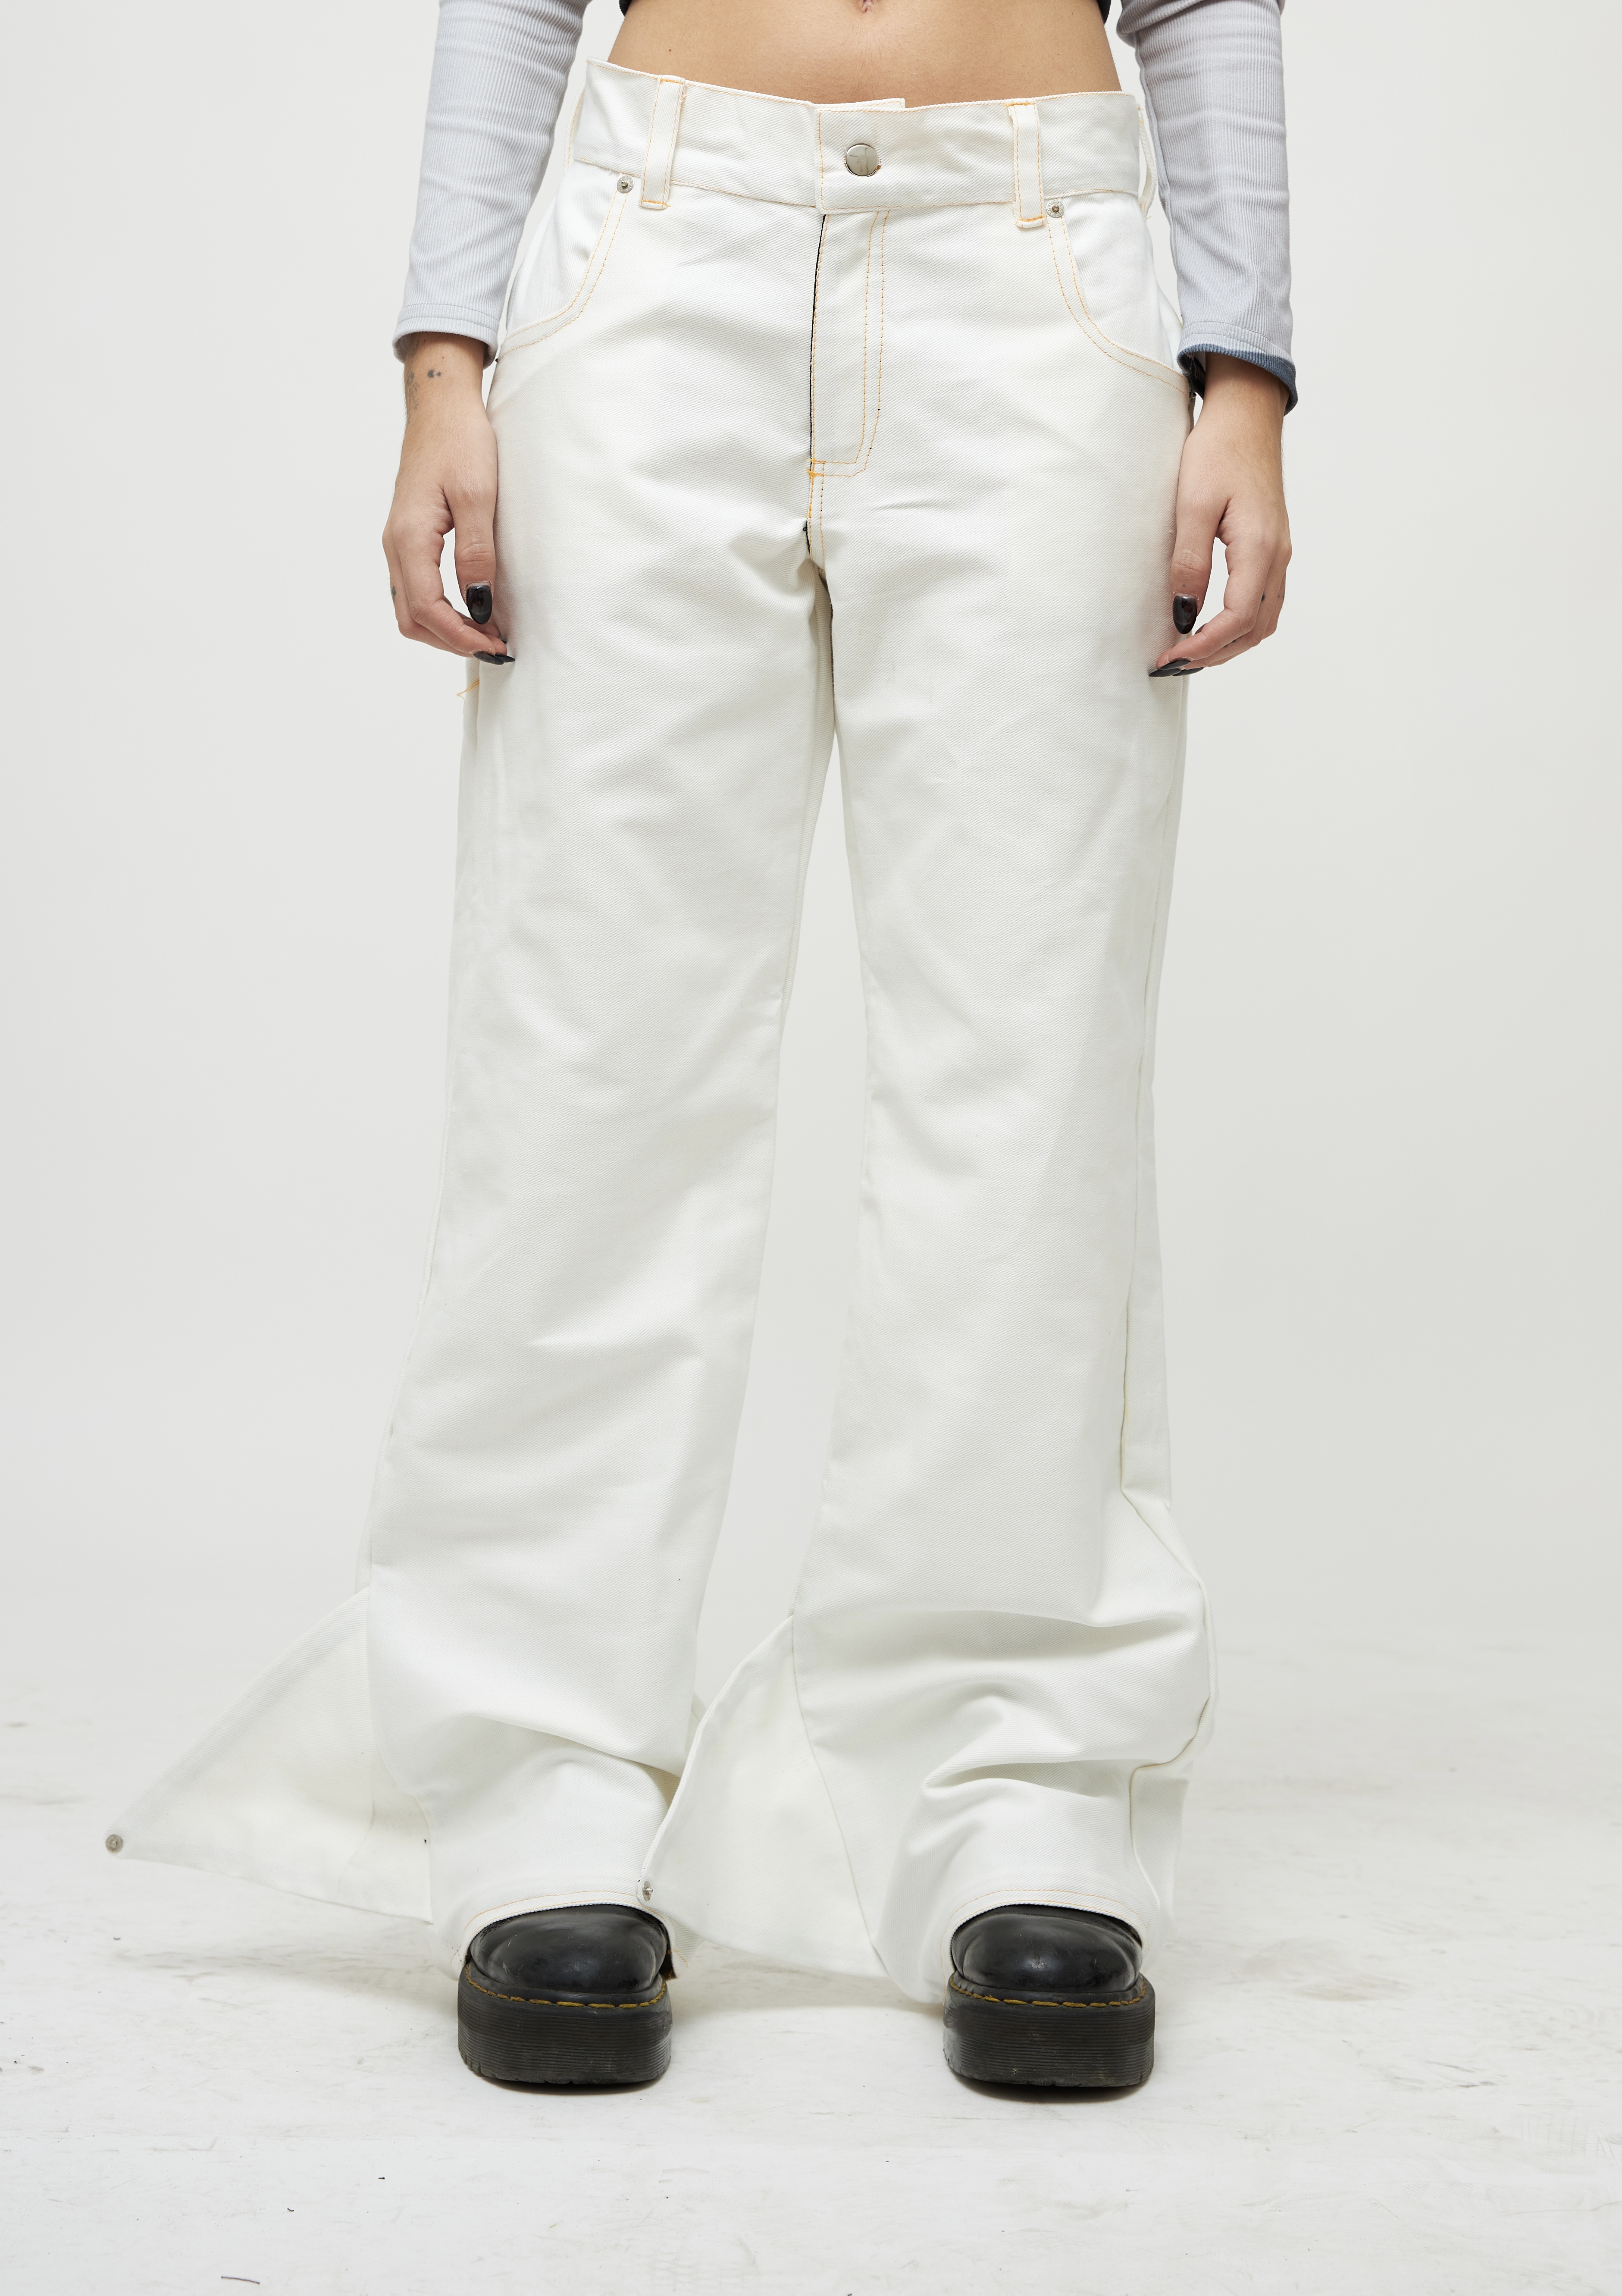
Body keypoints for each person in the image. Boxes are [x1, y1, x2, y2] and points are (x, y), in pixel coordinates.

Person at [113, 0, 1293, 2092]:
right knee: (590, 1058)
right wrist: (446, 359)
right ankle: (536, 1771)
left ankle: (1007, 1778)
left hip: (1041, 281)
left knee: (1022, 1064)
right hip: (655, 258)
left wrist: (1244, 375)